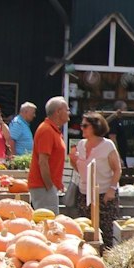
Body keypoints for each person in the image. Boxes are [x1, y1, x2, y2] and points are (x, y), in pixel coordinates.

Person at [70, 112, 121, 249]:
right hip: (84, 194)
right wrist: (73, 161)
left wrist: (112, 190)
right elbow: (80, 169)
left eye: (85, 126)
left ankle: (106, 260)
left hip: (104, 194)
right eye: (82, 125)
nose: (82, 128)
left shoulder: (107, 145)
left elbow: (117, 169)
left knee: (106, 231)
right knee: (86, 229)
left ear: (96, 127)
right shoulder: (80, 144)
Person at [28, 97, 69, 213]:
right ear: (58, 111)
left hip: (46, 187)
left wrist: (57, 183)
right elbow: (43, 161)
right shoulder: (46, 130)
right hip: (43, 186)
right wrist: (49, 186)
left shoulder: (53, 130)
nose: (69, 113)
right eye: (67, 110)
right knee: (49, 223)